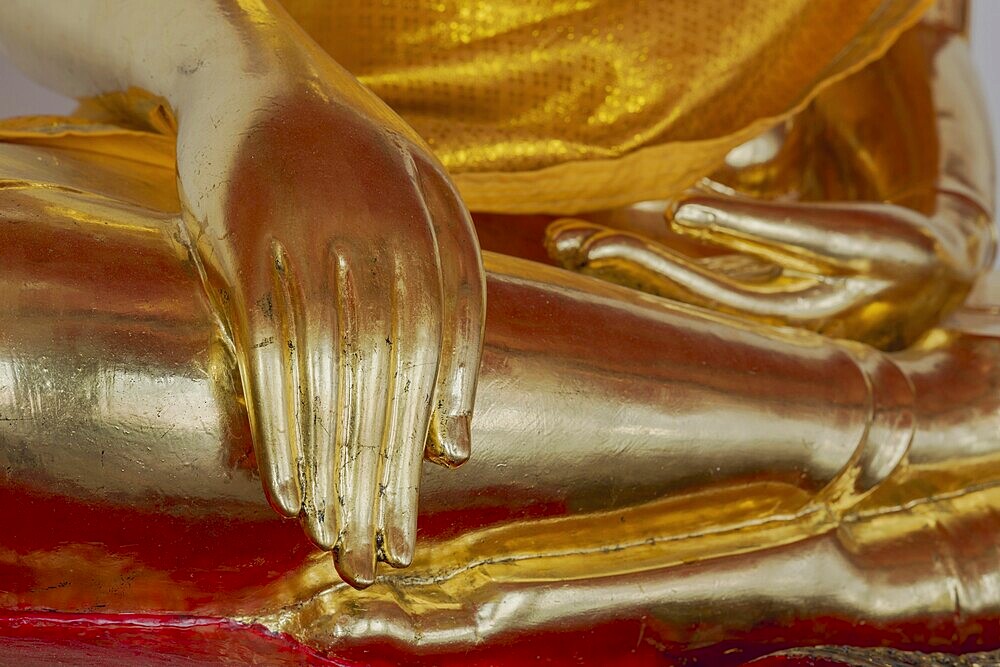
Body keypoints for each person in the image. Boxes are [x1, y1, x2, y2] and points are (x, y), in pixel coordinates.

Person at [0, 0, 997, 663]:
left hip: (709, 251)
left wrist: (942, 189)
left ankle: (881, 436)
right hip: (255, 166)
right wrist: (244, 67)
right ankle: (898, 457)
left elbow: (899, 22)